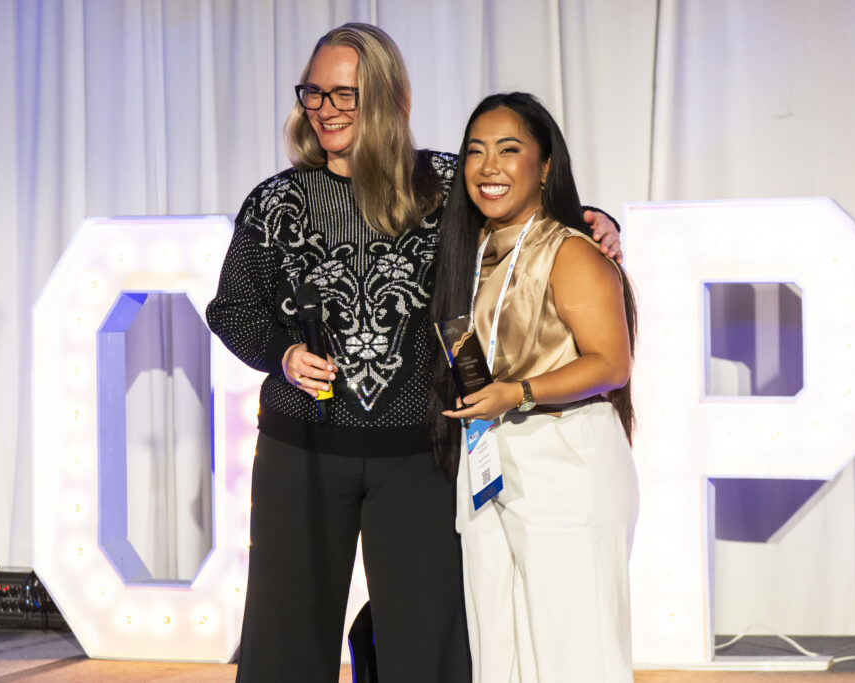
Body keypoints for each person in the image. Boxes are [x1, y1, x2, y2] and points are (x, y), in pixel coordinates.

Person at [206, 24, 622, 683]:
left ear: (390, 96)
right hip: (301, 449)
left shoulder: (447, 183)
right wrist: (282, 353)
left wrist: (597, 219)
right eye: (314, 92)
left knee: (427, 644)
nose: (326, 109)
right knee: (284, 641)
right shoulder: (274, 201)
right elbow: (232, 309)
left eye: (346, 93)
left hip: (420, 455)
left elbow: (523, 212)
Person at [428, 92, 640, 683]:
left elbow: (612, 363)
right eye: (475, 152)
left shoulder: (570, 251)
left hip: (565, 458)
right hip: (488, 458)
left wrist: (517, 393)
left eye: (508, 149)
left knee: (576, 657)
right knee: (501, 655)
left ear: (545, 167)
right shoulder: (469, 251)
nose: (488, 167)